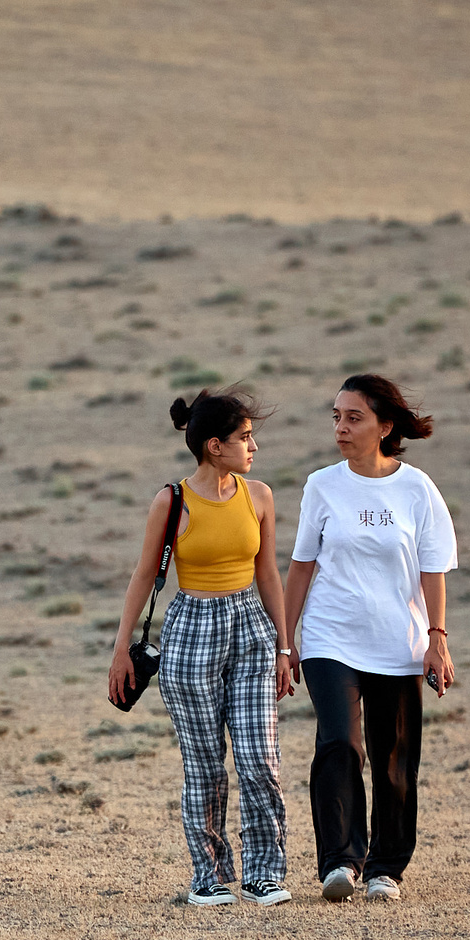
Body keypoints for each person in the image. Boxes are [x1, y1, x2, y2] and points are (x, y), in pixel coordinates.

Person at [107, 387, 294, 907]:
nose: (253, 446)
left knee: (260, 759)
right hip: (192, 631)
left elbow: (268, 574)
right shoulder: (171, 501)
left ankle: (264, 873)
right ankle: (207, 876)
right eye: (244, 437)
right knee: (205, 764)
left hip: (251, 628)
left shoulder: (260, 496)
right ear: (215, 445)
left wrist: (284, 647)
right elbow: (143, 574)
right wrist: (121, 649)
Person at [279, 374, 456, 904]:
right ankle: (340, 861)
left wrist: (437, 639)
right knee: (339, 743)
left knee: (394, 757)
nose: (341, 427)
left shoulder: (417, 489)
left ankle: (385, 868)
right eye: (336, 416)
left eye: (354, 417)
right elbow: (301, 567)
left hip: (397, 643)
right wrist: (287, 643)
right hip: (330, 638)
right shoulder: (321, 486)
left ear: (384, 426)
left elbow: (432, 571)